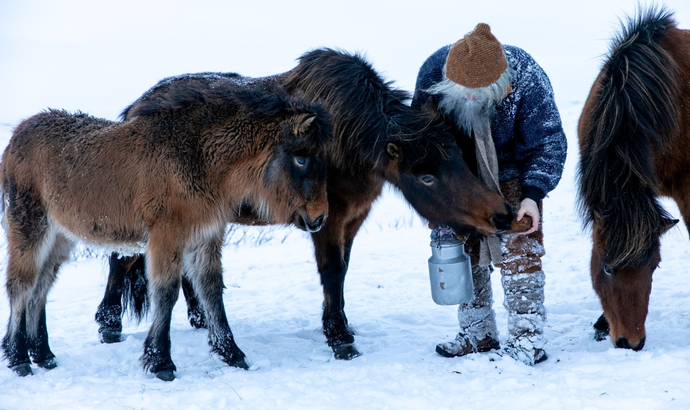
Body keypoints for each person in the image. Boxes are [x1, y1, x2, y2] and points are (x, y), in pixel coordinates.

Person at [412, 23, 567, 365]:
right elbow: (420, 146)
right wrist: (435, 203)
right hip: (460, 177)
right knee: (462, 248)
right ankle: (476, 331)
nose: (469, 98)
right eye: (462, 90)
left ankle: (528, 336)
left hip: (512, 170)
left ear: (502, 83)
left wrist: (532, 194)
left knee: (521, 247)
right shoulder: (431, 74)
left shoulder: (526, 75)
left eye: (479, 92)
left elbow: (548, 142)